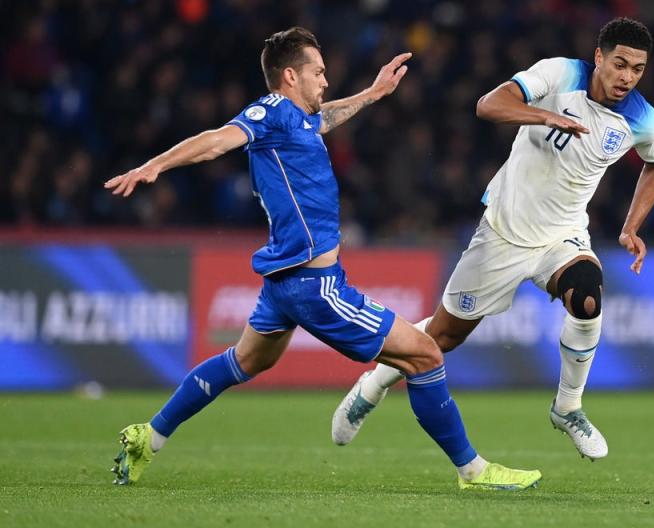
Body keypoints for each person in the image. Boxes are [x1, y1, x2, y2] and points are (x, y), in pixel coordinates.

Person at [104, 27, 541, 491]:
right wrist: (156, 165)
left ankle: (147, 437)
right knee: (426, 355)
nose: (325, 81)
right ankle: (473, 471)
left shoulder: (296, 119)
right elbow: (217, 139)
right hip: (316, 286)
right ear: (290, 76)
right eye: (318, 72)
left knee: (246, 361)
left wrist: (373, 94)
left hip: (284, 283)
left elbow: (324, 117)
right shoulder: (269, 111)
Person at [332, 18, 654, 460]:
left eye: (638, 69)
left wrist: (631, 226)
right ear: (600, 57)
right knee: (441, 338)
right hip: (503, 233)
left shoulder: (642, 118)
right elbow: (488, 105)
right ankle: (374, 383)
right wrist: (543, 115)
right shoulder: (560, 74)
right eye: (620, 64)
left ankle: (568, 407)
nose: (627, 77)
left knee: (588, 298)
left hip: (562, 236)